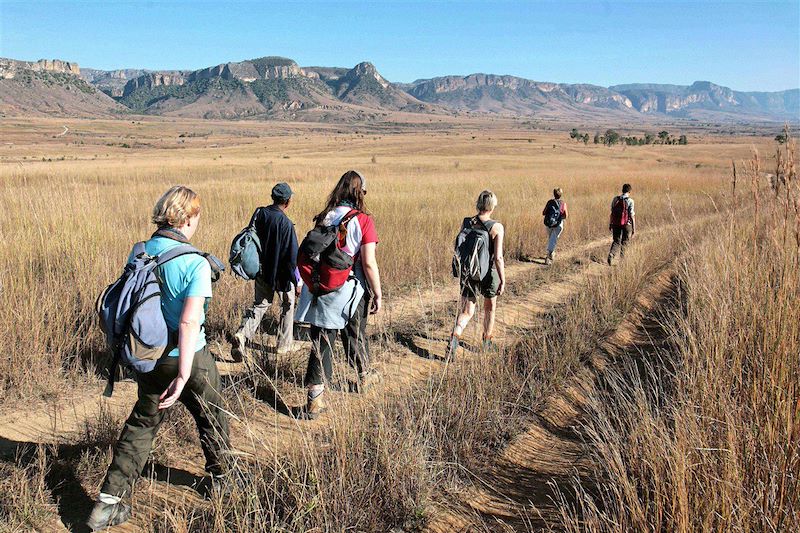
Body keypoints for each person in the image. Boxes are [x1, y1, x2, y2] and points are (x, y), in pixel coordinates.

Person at [87, 186, 230, 531]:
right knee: (213, 415)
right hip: (189, 358)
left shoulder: (141, 252)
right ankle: (224, 481)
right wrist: (182, 375)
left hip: (148, 357)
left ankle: (108, 503)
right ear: (188, 218)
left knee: (141, 423)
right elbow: (189, 321)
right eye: (196, 216)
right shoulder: (194, 262)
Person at [295, 170, 383, 419]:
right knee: (356, 333)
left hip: (321, 286)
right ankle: (364, 376)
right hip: (351, 288)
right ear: (359, 192)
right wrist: (377, 293)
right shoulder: (363, 220)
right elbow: (368, 263)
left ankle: (314, 400)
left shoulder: (324, 217)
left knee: (320, 341)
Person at [232, 182, 301, 360]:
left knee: (260, 304)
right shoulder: (286, 224)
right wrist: (297, 281)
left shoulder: (260, 213)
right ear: (287, 201)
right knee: (287, 305)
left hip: (261, 270)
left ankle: (242, 335)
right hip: (281, 275)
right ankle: (284, 345)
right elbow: (292, 257)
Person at [446, 190, 506, 359]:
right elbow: (498, 257)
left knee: (467, 311)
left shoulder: (467, 222)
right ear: (492, 206)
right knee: (490, 308)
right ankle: (487, 341)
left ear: (478, 203)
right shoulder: (497, 227)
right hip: (488, 273)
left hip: (468, 272)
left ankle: (455, 337)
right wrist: (502, 280)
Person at [607, 183, 636, 265]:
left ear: (622, 190)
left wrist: (610, 224)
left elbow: (612, 213)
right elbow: (632, 215)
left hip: (616, 223)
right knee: (625, 242)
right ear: (629, 191)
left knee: (616, 240)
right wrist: (634, 228)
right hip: (627, 224)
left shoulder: (615, 199)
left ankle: (611, 254)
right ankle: (622, 261)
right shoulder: (630, 201)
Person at [542, 187, 568, 264]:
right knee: (553, 240)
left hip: (549, 224)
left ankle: (552, 254)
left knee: (551, 239)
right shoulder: (563, 203)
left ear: (554, 194)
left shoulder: (549, 202)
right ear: (561, 195)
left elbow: (543, 212)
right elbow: (565, 215)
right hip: (558, 225)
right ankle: (548, 257)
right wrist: (558, 218)